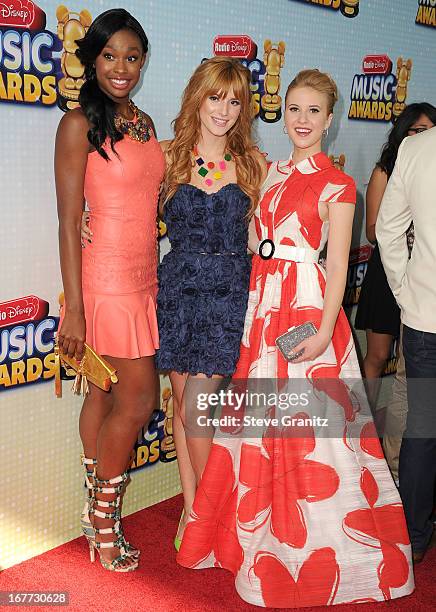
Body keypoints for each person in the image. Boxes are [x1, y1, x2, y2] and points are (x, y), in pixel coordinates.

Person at [176, 69, 414, 607]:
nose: (302, 120)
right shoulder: (267, 171)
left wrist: (327, 329)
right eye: (293, 109)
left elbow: (337, 269)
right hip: (263, 310)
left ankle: (322, 540)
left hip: (307, 313)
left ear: (330, 120)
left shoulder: (338, 185)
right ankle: (259, 530)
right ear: (283, 115)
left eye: (313, 111)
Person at [55, 9, 164, 572]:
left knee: (103, 393)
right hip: (105, 284)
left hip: (145, 278)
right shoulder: (78, 125)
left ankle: (91, 510)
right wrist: (73, 308)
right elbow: (69, 219)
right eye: (109, 56)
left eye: (132, 57)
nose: (121, 68)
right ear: (92, 60)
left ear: (143, 62)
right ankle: (103, 524)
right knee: (139, 398)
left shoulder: (145, 124)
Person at [156, 57, 266, 549]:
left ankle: (218, 516)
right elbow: (123, 208)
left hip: (227, 293)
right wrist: (85, 219)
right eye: (215, 97)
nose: (224, 109)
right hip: (178, 289)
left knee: (199, 408)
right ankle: (192, 509)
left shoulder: (253, 164)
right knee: (183, 406)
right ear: (197, 97)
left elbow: (269, 233)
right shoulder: (166, 157)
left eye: (234, 100)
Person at [377, 125, 436, 564]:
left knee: (423, 427)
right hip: (422, 316)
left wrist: (406, 291)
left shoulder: (417, 148)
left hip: (424, 316)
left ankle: (415, 534)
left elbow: (388, 230)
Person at [355, 103, 436, 413]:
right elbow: (375, 231)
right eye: (416, 130)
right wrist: (411, 224)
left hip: (423, 278)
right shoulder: (385, 170)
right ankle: (361, 426)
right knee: (376, 356)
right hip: (390, 274)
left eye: (429, 130)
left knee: (408, 366)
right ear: (403, 132)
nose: (422, 137)